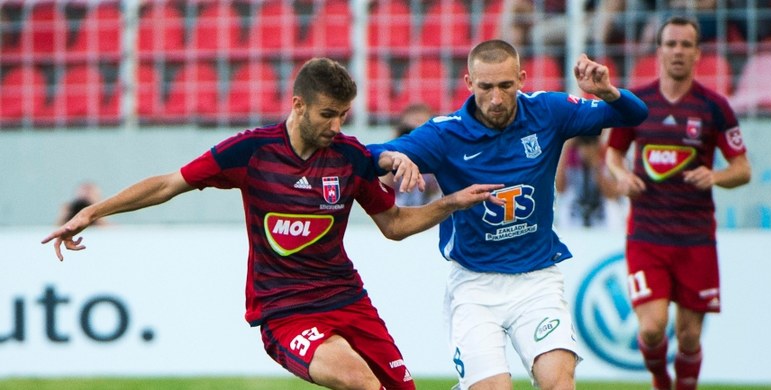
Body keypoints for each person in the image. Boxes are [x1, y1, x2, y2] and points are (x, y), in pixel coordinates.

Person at [42, 57, 503, 390]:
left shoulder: (350, 157)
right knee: (360, 382)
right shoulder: (250, 152)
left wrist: (452, 203)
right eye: (327, 115)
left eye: (343, 115)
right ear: (298, 104)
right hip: (285, 311)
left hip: (348, 299)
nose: (336, 126)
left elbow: (395, 224)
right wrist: (92, 212)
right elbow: (168, 184)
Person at [368, 39, 648, 389]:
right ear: (469, 84)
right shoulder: (444, 133)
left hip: (537, 280)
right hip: (474, 285)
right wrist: (395, 157)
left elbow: (635, 114)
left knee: (559, 383)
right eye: (485, 87)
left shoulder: (548, 112)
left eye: (505, 85)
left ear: (522, 78)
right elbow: (370, 154)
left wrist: (607, 91)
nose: (496, 98)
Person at [604, 16, 751, 390]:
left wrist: (715, 176)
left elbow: (743, 169)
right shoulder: (636, 105)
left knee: (688, 338)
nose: (678, 51)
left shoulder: (714, 107)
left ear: (698, 53)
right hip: (646, 235)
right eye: (671, 44)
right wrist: (622, 177)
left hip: (696, 238)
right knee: (652, 329)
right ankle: (659, 380)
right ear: (659, 51)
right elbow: (613, 154)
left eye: (686, 45)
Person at [381, 103, 442, 206]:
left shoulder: (438, 151)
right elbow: (383, 187)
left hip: (431, 209)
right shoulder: (394, 152)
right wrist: (396, 144)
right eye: (411, 130)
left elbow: (440, 189)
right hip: (399, 209)